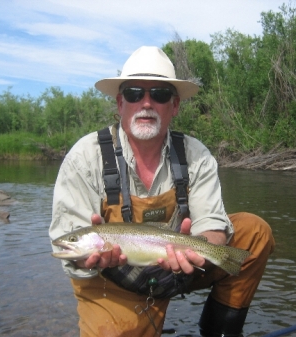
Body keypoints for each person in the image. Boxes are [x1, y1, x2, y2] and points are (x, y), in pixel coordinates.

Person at [49, 46, 275, 337]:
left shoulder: (196, 155)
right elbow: (65, 248)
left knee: (254, 233)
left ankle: (218, 331)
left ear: (175, 105)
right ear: (120, 104)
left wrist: (202, 249)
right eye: (133, 93)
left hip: (181, 263)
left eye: (159, 94)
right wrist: (84, 258)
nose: (146, 103)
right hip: (112, 284)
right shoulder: (84, 158)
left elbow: (213, 224)